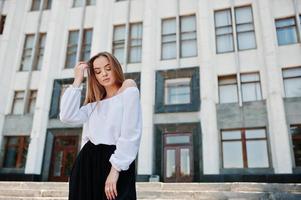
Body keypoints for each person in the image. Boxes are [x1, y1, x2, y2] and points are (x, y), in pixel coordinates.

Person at [59, 51, 143, 200]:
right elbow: (66, 116)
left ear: (115, 67)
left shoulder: (128, 87)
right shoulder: (93, 105)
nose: (103, 73)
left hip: (116, 159)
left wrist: (115, 170)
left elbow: (131, 133)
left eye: (108, 68)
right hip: (87, 161)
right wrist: (77, 80)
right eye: (97, 71)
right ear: (94, 76)